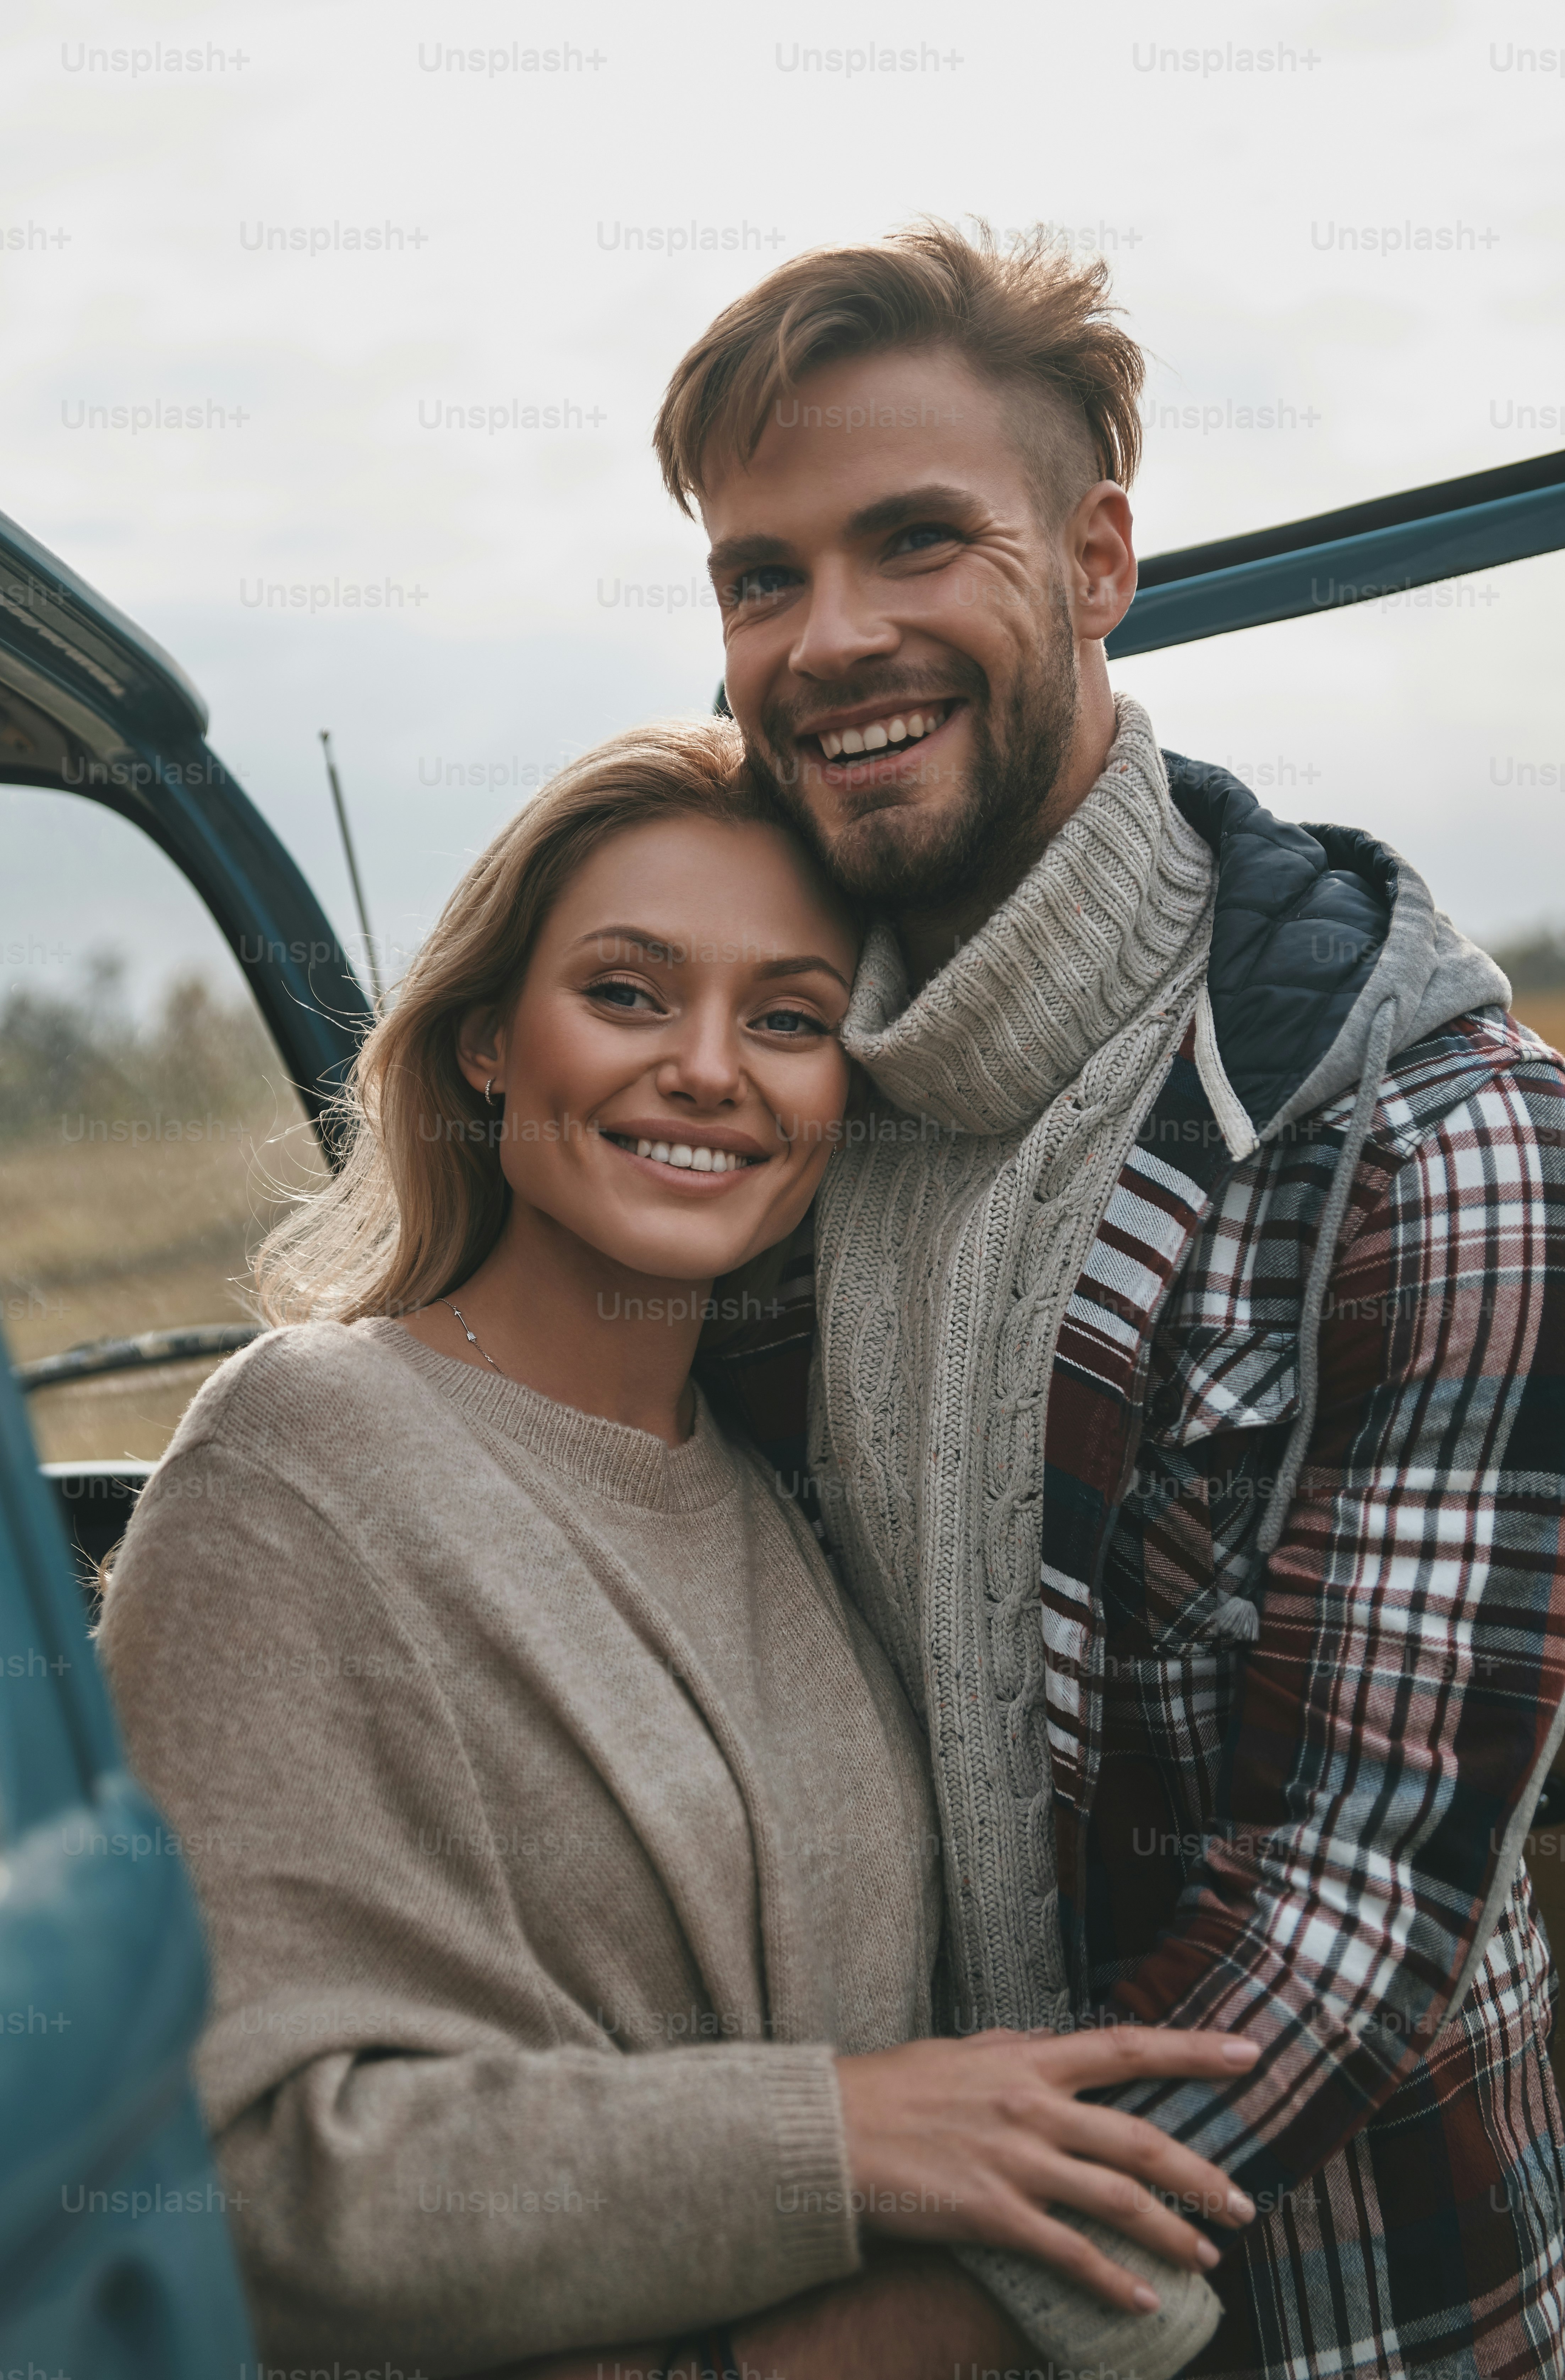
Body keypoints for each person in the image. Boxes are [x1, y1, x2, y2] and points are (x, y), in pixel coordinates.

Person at [652, 223, 1565, 2378]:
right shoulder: (760, 1113)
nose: (828, 638)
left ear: (1094, 558)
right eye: (758, 576)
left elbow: (1338, 1919)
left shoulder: (1427, 1136)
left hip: (1332, 2316)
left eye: (913, 542)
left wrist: (848, 2341)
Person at [98, 719, 1264, 2380]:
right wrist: (839, 2137)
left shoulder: (781, 1492)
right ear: (491, 1039)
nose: (710, 1067)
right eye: (630, 992)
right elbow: (246, 2182)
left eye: (788, 1019)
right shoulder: (298, 1453)